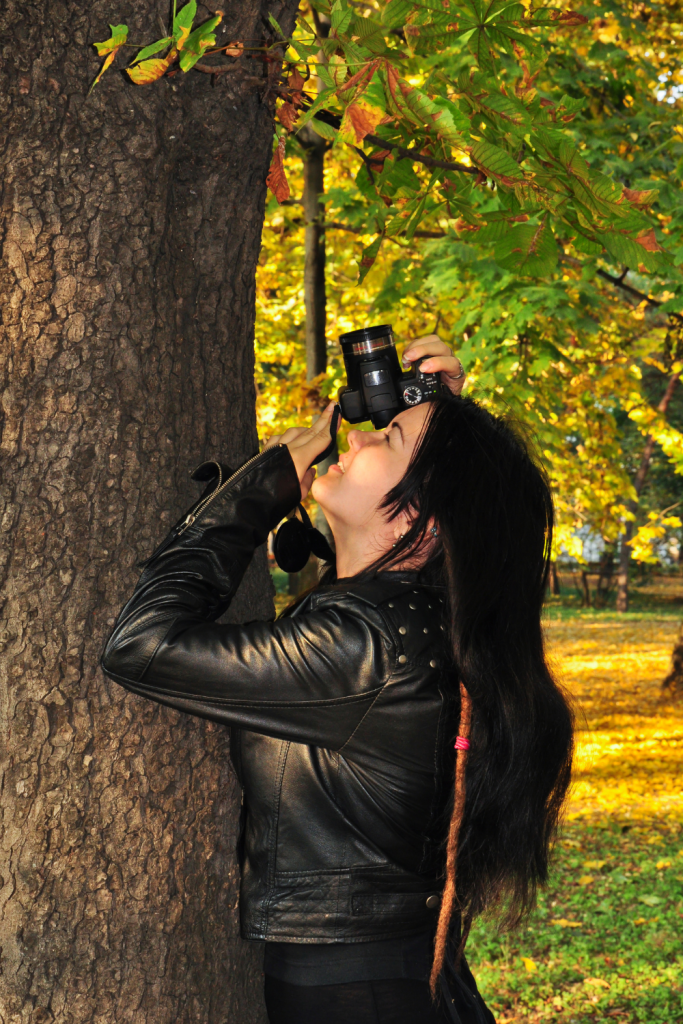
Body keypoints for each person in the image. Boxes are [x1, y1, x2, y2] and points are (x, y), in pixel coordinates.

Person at [101, 336, 574, 1024]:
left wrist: (261, 488)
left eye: (387, 436)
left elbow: (140, 646)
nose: (355, 438)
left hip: (356, 996)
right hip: (391, 978)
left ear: (419, 513)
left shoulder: (369, 641)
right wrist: (445, 413)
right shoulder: (404, 621)